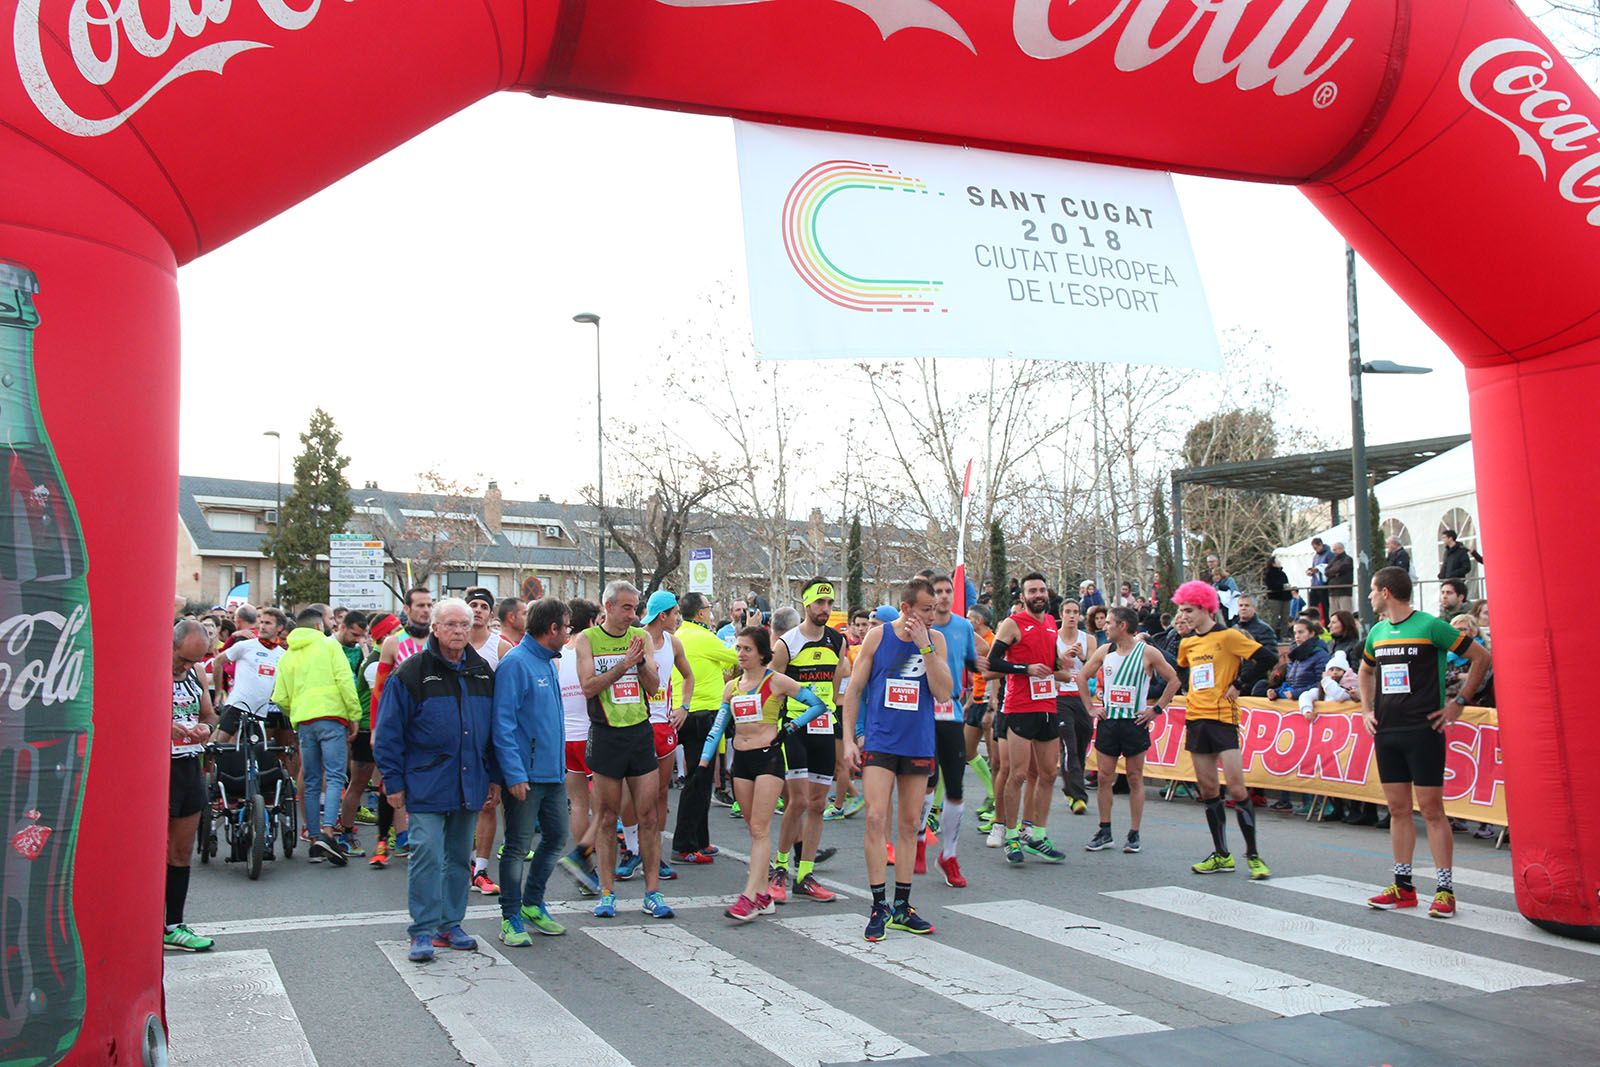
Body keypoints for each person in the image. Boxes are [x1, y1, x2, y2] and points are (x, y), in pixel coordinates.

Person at [1360, 567, 1490, 919]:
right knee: (1398, 810)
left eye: (1372, 590)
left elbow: (1481, 657)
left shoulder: (1431, 626)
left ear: (1386, 592)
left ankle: (1445, 890)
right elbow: (1366, 670)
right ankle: (1403, 887)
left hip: (1424, 730)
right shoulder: (1377, 631)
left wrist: (1458, 703)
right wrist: (1366, 709)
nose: (1369, 597)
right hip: (1387, 732)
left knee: (1432, 810)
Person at [373, 597, 497, 963]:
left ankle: (450, 924)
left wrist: (495, 778)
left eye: (465, 624)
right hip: (426, 782)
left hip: (469, 780)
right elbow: (389, 732)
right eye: (452, 624)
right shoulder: (411, 673)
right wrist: (392, 783)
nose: (460, 631)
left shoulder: (482, 672)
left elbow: (493, 732)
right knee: (426, 853)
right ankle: (422, 931)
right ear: (436, 629)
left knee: (460, 857)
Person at [842, 577, 952, 941]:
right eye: (925, 609)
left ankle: (902, 905)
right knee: (875, 817)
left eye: (935, 609)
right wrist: (848, 740)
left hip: (917, 742)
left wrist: (925, 647)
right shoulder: (877, 637)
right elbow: (855, 689)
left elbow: (943, 692)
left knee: (909, 824)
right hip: (880, 740)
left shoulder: (935, 641)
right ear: (906, 609)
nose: (932, 615)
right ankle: (878, 905)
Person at [699, 626, 830, 920]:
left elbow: (818, 704)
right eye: (738, 649)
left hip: (769, 759)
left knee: (760, 828)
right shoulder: (731, 687)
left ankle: (748, 897)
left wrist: (791, 728)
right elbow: (718, 726)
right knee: (754, 829)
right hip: (741, 763)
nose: (741, 654)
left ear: (761, 653)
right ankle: (762, 896)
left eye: (747, 649)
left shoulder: (777, 681)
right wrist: (704, 762)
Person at [575, 580, 673, 920]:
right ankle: (606, 893)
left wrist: (641, 662)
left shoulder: (641, 637)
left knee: (648, 816)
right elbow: (588, 687)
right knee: (605, 818)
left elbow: (654, 686)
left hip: (639, 733)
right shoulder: (587, 640)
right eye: (627, 608)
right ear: (609, 607)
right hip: (605, 735)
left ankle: (652, 892)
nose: (634, 615)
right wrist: (622, 665)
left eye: (636, 608)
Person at [1173, 581, 1279, 879]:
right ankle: (1221, 854)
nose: (1184, 616)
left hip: (1223, 719)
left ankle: (1254, 855)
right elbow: (1183, 667)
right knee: (1207, 789)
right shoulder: (1187, 643)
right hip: (1196, 718)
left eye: (1189, 610)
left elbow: (1268, 659)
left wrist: (1238, 684)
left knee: (1236, 787)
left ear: (1206, 608)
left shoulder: (1229, 636)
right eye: (1181, 610)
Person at [493, 597, 571, 945]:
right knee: (516, 846)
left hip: (553, 774)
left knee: (555, 837)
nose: (569, 634)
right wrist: (514, 773)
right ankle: (510, 916)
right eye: (566, 627)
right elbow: (503, 724)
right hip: (526, 776)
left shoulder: (548, 663)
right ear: (552, 628)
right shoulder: (516, 663)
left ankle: (532, 903)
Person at [980, 572, 1069, 866]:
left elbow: (1052, 664)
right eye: (1033, 590)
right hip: (1019, 707)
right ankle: (1012, 834)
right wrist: (1025, 669)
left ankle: (1038, 835)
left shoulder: (1052, 624)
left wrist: (1063, 661)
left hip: (1047, 706)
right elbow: (993, 663)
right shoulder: (1012, 624)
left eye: (1042, 590)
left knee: (1048, 773)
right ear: (1024, 596)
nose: (1039, 595)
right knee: (1017, 774)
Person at [770, 578, 850, 902]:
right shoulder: (786, 644)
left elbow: (833, 688)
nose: (825, 610)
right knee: (799, 801)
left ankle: (804, 875)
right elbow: (773, 687)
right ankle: (778, 868)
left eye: (830, 603)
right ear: (806, 604)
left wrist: (839, 725)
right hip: (793, 727)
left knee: (818, 804)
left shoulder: (838, 641)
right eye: (819, 603)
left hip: (823, 726)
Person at [1079, 607, 1179, 854]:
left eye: (1110, 623)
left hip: (1135, 723)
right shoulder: (1105, 651)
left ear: (1122, 625)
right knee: (1104, 776)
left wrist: (1156, 710)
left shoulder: (1147, 652)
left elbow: (1174, 680)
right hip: (1109, 721)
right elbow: (1081, 677)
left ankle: (1134, 833)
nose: (1105, 627)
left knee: (1135, 777)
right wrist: (1091, 707)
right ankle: (1104, 830)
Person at [272, 605, 362, 866]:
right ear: (318, 626)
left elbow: (280, 697)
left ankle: (313, 838)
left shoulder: (288, 655)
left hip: (304, 722)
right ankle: (327, 832)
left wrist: (296, 713)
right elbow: (345, 681)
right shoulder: (328, 646)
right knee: (334, 777)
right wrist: (353, 715)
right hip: (332, 718)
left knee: (310, 780)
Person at [619, 590, 693, 884]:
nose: (678, 619)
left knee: (661, 792)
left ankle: (654, 852)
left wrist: (683, 708)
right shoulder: (635, 636)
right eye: (675, 613)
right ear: (663, 615)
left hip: (664, 725)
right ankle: (633, 849)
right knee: (629, 791)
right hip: (635, 724)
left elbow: (688, 676)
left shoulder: (673, 642)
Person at [670, 592, 739, 863]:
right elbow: (736, 658)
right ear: (700, 612)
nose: (711, 613)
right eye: (709, 608)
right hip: (702, 715)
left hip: (683, 712)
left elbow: (723, 665)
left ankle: (700, 839)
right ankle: (683, 845)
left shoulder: (681, 634)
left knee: (700, 779)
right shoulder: (705, 637)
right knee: (698, 781)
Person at [166, 621, 218, 952]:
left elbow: (211, 715)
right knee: (151, 851)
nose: (184, 667)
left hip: (188, 765)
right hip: (157, 769)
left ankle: (173, 924)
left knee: (182, 851)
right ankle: (144, 922)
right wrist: (162, 724)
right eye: (182, 660)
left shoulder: (196, 673)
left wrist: (203, 728)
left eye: (191, 662)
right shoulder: (151, 665)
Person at [927, 573, 978, 888]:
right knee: (924, 783)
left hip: (953, 715)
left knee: (956, 787)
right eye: (938, 592)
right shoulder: (921, 630)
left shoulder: (963, 627)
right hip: (922, 715)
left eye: (948, 591)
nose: (944, 596)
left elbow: (973, 663)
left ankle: (949, 854)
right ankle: (917, 840)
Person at [558, 599, 603, 894]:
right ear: (591, 622)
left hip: (566, 738)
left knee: (578, 806)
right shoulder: (593, 650)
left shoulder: (559, 654)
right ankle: (585, 856)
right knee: (607, 805)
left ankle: (585, 870)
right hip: (592, 735)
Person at [464, 587, 503, 895]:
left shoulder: (500, 647)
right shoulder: (452, 643)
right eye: (472, 605)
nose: (477, 610)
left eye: (482, 606)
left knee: (488, 804)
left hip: (489, 735)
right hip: (458, 736)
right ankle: (461, 865)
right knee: (460, 803)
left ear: (491, 614)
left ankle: (481, 868)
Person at [825, 607, 874, 821]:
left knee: (841, 763)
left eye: (866, 624)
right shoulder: (852, 651)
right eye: (859, 625)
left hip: (848, 711)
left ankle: (838, 806)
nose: (862, 629)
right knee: (839, 762)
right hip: (840, 710)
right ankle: (852, 794)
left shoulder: (859, 654)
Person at [331, 610, 372, 857]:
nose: (357, 640)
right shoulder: (329, 647)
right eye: (354, 634)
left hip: (359, 719)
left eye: (361, 636)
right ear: (342, 626)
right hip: (345, 719)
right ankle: (344, 831)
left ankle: (395, 836)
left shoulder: (361, 653)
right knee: (353, 779)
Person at [1053, 600, 1096, 818]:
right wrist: (1061, 660)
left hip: (1081, 697)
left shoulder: (1088, 639)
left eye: (1075, 612)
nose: (1072, 616)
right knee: (1068, 745)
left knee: (1081, 744)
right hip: (1060, 697)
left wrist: (1082, 657)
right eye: (1068, 612)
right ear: (1061, 614)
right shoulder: (1053, 637)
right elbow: (1048, 665)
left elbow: (1096, 667)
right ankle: (1078, 796)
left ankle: (1069, 787)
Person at [962, 604, 997, 836]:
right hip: (976, 700)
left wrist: (991, 707)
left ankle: (996, 803)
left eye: (968, 618)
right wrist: (968, 702)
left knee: (996, 759)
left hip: (988, 703)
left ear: (977, 621)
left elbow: (995, 677)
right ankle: (991, 794)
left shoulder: (992, 641)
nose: (965, 621)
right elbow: (976, 675)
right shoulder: (974, 642)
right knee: (967, 750)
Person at [1266, 619, 1330, 701]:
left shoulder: (1321, 655)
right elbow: (1290, 683)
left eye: (1301, 632)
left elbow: (1322, 683)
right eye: (1295, 633)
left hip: (1310, 702)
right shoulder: (1294, 654)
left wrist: (1296, 693)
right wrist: (1276, 692)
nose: (1297, 636)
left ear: (1312, 633)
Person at [1306, 537, 1334, 623]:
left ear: (1320, 545)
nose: (1315, 550)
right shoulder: (1315, 556)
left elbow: (1330, 567)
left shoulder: (1329, 554)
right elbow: (1314, 567)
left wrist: (1319, 569)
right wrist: (1311, 570)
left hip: (1323, 584)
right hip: (1315, 584)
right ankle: (1312, 623)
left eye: (1316, 548)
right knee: (1312, 606)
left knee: (1325, 607)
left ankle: (1327, 624)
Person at [1262, 557, 1291, 636]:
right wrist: (1282, 586)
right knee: (1274, 618)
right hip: (1275, 598)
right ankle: (1271, 635)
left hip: (1285, 597)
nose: (1279, 561)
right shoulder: (1269, 573)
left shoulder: (1282, 573)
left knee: (1285, 618)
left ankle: (1284, 635)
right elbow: (1271, 585)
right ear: (1273, 563)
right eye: (1277, 560)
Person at [1326, 542, 1356, 616]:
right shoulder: (1333, 560)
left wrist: (1334, 572)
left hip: (1344, 591)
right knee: (1333, 614)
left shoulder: (1348, 559)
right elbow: (1327, 571)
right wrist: (1335, 573)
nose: (1333, 552)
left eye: (1335, 550)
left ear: (1341, 549)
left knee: (1346, 614)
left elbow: (1342, 568)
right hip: (1333, 591)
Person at [494, 596, 527, 661]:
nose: (529, 617)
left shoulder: (524, 643)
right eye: (525, 613)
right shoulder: (499, 648)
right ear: (511, 617)